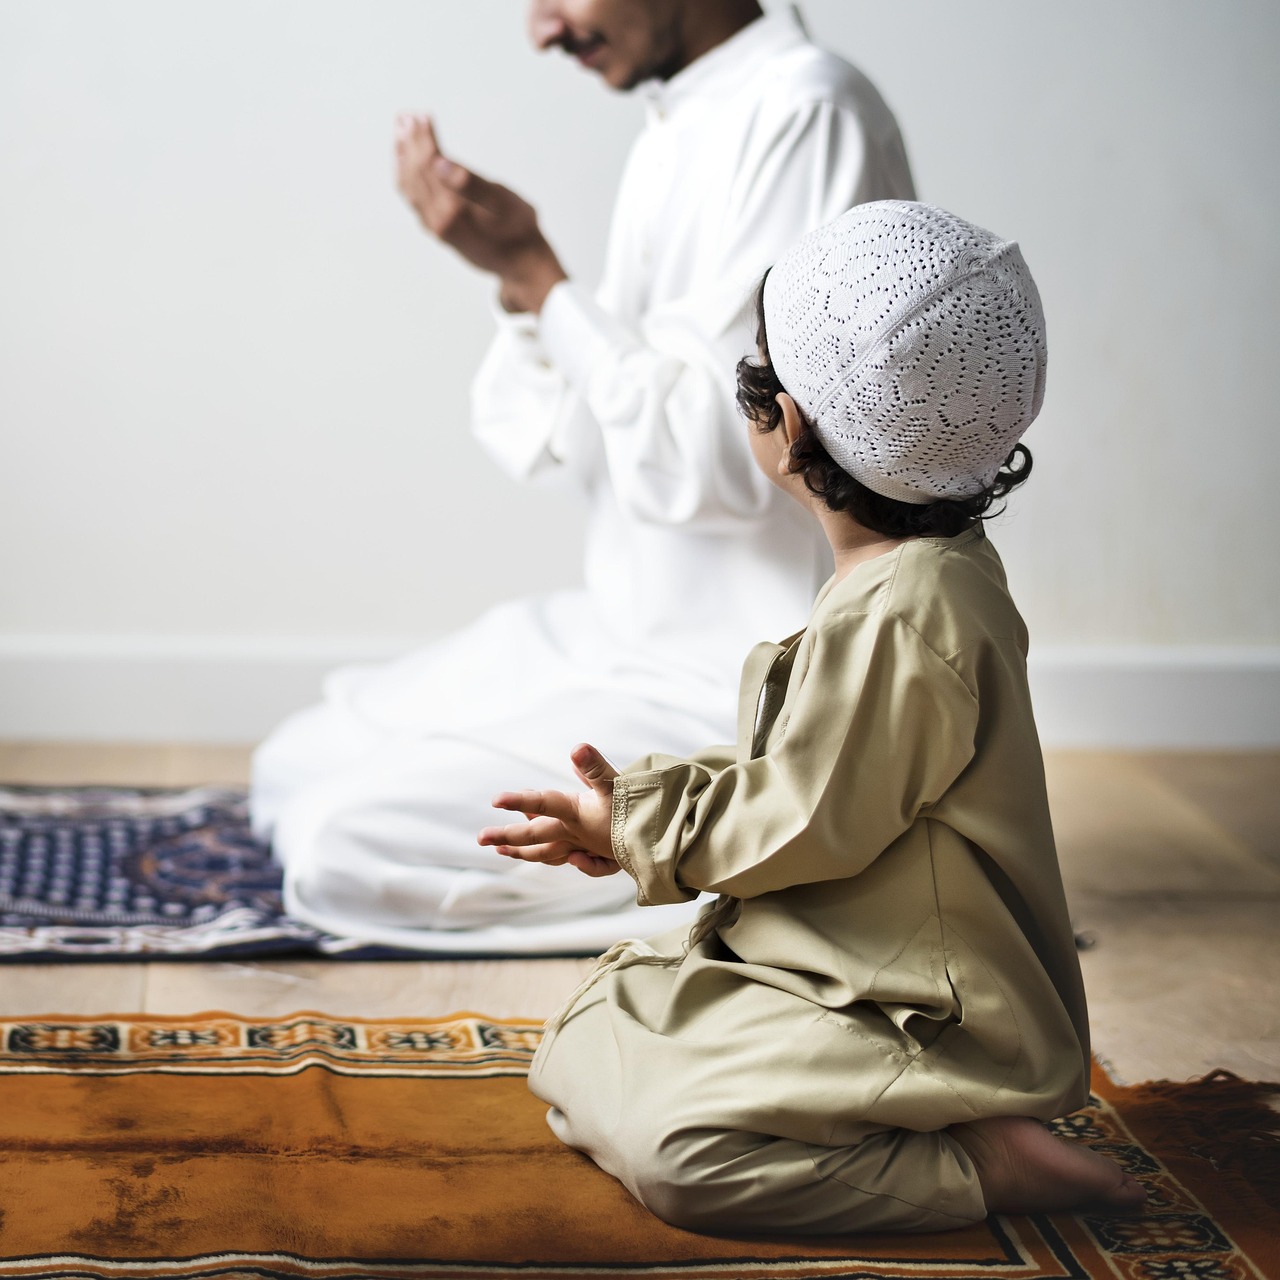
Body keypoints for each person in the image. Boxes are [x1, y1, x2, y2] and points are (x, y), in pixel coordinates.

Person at [478, 201, 1149, 1232]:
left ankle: (977, 1158)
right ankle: (836, 1098)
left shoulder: (908, 610)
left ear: (786, 426)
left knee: (680, 1154)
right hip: (836, 961)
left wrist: (641, 831)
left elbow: (807, 809)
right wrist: (640, 810)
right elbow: (810, 767)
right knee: (586, 1033)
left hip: (923, 1008)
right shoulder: (908, 576)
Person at [250, 0, 915, 954]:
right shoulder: (681, 120)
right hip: (620, 630)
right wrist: (526, 291)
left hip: (739, 682)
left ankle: (762, 861)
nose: (543, 30)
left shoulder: (810, 113)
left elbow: (740, 461)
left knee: (338, 843)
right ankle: (695, 854)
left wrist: (540, 277)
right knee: (292, 763)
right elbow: (587, 442)